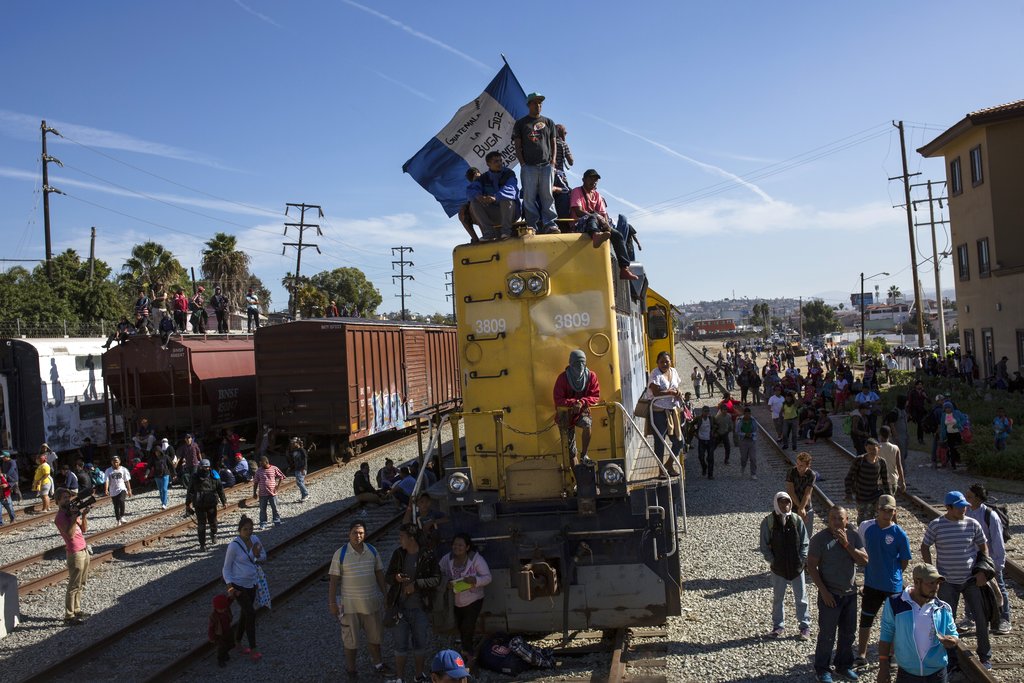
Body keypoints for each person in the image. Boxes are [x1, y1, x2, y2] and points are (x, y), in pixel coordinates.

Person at [920, 491, 991, 671]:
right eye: (960, 507)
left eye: (965, 506)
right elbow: (925, 546)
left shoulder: (972, 524)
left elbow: (983, 546)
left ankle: (985, 656)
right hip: (947, 583)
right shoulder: (936, 525)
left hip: (971, 581)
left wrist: (983, 569)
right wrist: (932, 572)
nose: (964, 509)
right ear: (948, 508)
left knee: (981, 619)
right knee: (945, 621)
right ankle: (950, 660)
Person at [807, 506, 868, 683]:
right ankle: (822, 669)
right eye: (833, 518)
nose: (836, 522)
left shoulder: (854, 536)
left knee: (848, 633)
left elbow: (864, 560)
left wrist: (847, 545)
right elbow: (811, 566)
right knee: (827, 634)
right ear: (828, 519)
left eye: (840, 519)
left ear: (846, 520)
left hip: (850, 594)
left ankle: (843, 666)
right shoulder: (819, 539)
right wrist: (824, 592)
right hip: (830, 594)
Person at [328, 521, 392, 682]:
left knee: (375, 638)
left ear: (365, 534)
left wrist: (386, 596)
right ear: (349, 534)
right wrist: (332, 603)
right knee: (350, 641)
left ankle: (378, 665)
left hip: (371, 604)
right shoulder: (340, 554)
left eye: (361, 533)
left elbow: (379, 575)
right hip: (349, 607)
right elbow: (333, 581)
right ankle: (351, 670)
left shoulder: (372, 551)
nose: (358, 536)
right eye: (355, 533)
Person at [877, 563, 959, 683]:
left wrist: (952, 640)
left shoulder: (943, 608)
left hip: (938, 675)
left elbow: (954, 635)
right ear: (917, 582)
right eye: (930, 583)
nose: (935, 587)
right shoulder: (895, 603)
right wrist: (883, 667)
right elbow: (886, 635)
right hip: (907, 674)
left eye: (937, 583)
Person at [855, 495, 912, 666]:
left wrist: (893, 574)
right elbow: (862, 552)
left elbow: (904, 561)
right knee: (866, 619)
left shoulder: (900, 534)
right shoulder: (868, 529)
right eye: (883, 510)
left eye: (890, 510)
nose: (886, 513)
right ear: (877, 510)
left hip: (892, 585)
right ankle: (861, 654)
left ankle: (893, 654)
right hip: (872, 584)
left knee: (894, 622)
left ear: (895, 512)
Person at [386, 523, 442, 683]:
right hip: (400, 608)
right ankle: (399, 678)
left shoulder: (427, 555)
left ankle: (418, 675)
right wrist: (395, 578)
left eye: (401, 536)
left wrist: (416, 585)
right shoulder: (398, 554)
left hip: (420, 608)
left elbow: (436, 579)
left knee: (420, 643)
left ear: (411, 538)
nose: (399, 540)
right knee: (400, 645)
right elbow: (387, 577)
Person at [568, 169, 639, 280]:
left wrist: (606, 225)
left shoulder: (598, 196)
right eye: (591, 178)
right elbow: (578, 211)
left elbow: (603, 214)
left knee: (617, 235)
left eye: (596, 180)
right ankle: (596, 235)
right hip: (579, 225)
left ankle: (624, 269)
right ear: (583, 180)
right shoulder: (577, 191)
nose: (594, 182)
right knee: (593, 216)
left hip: (596, 223)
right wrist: (597, 217)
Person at [759, 491, 811, 639]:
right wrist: (772, 560)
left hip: (797, 566)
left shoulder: (796, 519)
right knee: (778, 598)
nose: (785, 505)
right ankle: (778, 626)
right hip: (778, 568)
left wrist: (802, 559)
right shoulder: (768, 521)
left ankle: (805, 627)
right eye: (782, 502)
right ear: (777, 503)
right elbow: (764, 544)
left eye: (787, 502)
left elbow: (805, 541)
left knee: (801, 597)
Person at [439, 533, 492, 665]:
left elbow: (488, 577)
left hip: (474, 598)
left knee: (467, 626)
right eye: (455, 544)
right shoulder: (447, 558)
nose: (457, 547)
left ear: (467, 547)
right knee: (461, 626)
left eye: (461, 545)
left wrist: (475, 580)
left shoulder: (475, 559)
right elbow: (438, 571)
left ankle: (468, 653)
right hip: (456, 600)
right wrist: (446, 582)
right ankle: (466, 650)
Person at [966, 484, 1010, 635]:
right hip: (972, 558)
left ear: (978, 499)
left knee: (999, 587)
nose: (966, 499)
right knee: (970, 586)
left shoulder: (990, 515)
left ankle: (1004, 619)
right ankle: (970, 618)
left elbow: (998, 541)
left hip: (989, 559)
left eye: (969, 497)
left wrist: (998, 563)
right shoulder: (966, 512)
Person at [512, 92, 558, 234]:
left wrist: (553, 162)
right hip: (529, 167)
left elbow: (553, 142)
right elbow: (517, 145)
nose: (538, 106)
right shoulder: (521, 123)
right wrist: (523, 163)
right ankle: (532, 225)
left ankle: (550, 224)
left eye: (540, 103)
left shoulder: (549, 122)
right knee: (529, 197)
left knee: (547, 196)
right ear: (528, 105)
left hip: (546, 166)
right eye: (535, 103)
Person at [223, 515, 266, 662]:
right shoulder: (233, 546)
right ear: (239, 530)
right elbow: (226, 568)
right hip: (238, 586)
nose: (248, 532)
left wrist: (256, 555)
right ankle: (254, 648)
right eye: (245, 529)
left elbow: (263, 557)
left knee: (245, 614)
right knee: (251, 614)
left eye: (250, 529)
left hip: (252, 583)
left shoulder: (255, 540)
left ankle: (237, 642)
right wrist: (230, 587)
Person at [553, 350, 601, 467]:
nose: (579, 366)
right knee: (570, 451)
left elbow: (595, 396)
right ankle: (578, 479)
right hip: (565, 416)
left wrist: (582, 402)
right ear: (570, 363)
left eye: (582, 363)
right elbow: (558, 399)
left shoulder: (591, 376)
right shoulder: (563, 378)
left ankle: (584, 454)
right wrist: (573, 403)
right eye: (576, 363)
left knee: (587, 424)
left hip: (581, 413)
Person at [54, 487, 91, 625]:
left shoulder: (71, 512)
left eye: (68, 497)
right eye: (64, 498)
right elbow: (69, 535)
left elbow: (84, 529)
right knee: (73, 585)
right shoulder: (60, 517)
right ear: (57, 501)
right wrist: (74, 517)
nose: (67, 500)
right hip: (75, 553)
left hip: (83, 549)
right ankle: (68, 616)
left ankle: (77, 609)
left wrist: (84, 516)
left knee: (81, 582)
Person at [467, 151, 521, 240]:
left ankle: (506, 232)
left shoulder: (509, 173)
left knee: (506, 198)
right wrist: (479, 197)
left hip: (511, 213)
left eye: (500, 161)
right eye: (496, 161)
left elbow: (511, 189)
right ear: (488, 164)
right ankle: (489, 233)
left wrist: (495, 198)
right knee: (474, 202)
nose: (499, 163)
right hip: (494, 214)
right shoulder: (483, 178)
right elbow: (471, 190)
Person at [647, 351, 684, 469]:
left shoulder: (674, 371)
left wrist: (678, 392)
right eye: (661, 362)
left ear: (671, 362)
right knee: (660, 442)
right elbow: (656, 392)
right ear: (657, 363)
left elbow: (676, 387)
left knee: (679, 441)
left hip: (672, 411)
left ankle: (668, 464)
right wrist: (671, 392)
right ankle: (661, 470)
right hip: (658, 412)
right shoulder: (655, 374)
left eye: (667, 361)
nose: (664, 364)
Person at [845, 439, 892, 525]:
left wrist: (890, 497)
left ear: (878, 448)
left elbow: (886, 481)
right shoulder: (859, 461)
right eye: (870, 449)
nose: (872, 451)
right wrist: (848, 493)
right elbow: (849, 477)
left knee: (876, 519)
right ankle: (862, 535)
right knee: (863, 520)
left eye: (874, 449)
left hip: (875, 495)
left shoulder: (881, 462)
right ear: (866, 448)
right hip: (862, 496)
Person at [186, 459, 228, 551]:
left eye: (207, 467)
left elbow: (220, 489)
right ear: (200, 467)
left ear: (209, 467)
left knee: (213, 522)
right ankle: (202, 544)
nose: (205, 469)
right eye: (203, 467)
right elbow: (190, 491)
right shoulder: (195, 477)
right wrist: (187, 504)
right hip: (199, 504)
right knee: (201, 525)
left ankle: (214, 534)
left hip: (211, 503)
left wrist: (224, 501)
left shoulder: (214, 475)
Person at [787, 452, 817, 534]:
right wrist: (800, 508)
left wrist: (802, 508)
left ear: (807, 466)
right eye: (797, 464)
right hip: (793, 504)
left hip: (806, 505)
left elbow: (807, 493)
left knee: (807, 533)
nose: (798, 467)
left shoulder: (811, 475)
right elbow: (790, 491)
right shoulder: (791, 472)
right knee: (792, 532)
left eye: (801, 465)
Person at [252, 456, 286, 529]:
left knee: (275, 508)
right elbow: (255, 482)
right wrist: (254, 493)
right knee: (262, 509)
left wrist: (278, 486)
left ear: (266, 462)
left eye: (261, 462)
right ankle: (263, 523)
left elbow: (281, 476)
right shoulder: (258, 470)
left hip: (272, 493)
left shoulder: (274, 468)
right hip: (262, 494)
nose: (260, 464)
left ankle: (277, 521)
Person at [937, 402, 969, 470]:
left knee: (957, 448)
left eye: (948, 408)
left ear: (951, 408)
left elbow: (964, 420)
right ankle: (953, 464)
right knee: (951, 449)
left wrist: (958, 425)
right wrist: (942, 437)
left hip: (957, 433)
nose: (947, 409)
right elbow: (943, 427)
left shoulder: (957, 413)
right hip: (949, 434)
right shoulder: (943, 415)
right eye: (946, 408)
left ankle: (959, 460)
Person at [876, 426, 906, 495]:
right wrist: (903, 482)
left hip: (880, 481)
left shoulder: (876, 448)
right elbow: (899, 466)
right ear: (890, 435)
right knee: (890, 502)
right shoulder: (896, 448)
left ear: (879, 434)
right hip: (892, 480)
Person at [104, 455, 132, 526]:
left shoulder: (123, 469)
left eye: (116, 462)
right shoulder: (108, 470)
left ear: (119, 462)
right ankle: (118, 519)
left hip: (122, 488)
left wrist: (129, 490)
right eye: (113, 462)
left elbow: (127, 481)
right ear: (111, 462)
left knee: (121, 501)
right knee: (116, 505)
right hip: (113, 490)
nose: (115, 463)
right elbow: (106, 480)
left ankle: (122, 516)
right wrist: (106, 489)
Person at [209, 594, 235, 668]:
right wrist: (212, 637)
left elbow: (228, 602)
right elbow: (211, 628)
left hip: (228, 631)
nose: (222, 610)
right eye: (220, 609)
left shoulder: (226, 608)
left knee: (231, 644)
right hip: (219, 634)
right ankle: (220, 659)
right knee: (222, 647)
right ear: (216, 608)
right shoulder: (213, 616)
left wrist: (232, 596)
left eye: (224, 609)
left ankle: (226, 653)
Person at [147, 442, 175, 510]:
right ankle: (162, 502)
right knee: (160, 490)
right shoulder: (153, 459)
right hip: (157, 476)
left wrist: (174, 474)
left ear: (160, 451)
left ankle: (164, 504)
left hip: (165, 475)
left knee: (164, 489)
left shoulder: (166, 457)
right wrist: (146, 474)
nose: (156, 453)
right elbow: (149, 467)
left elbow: (171, 466)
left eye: (158, 452)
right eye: (155, 452)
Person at [735, 406, 760, 479]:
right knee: (744, 457)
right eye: (746, 414)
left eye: (749, 414)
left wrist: (751, 434)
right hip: (743, 441)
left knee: (753, 458)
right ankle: (743, 467)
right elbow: (737, 431)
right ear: (744, 414)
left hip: (752, 440)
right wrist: (745, 434)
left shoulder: (753, 420)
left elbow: (756, 430)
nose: (748, 415)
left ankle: (753, 473)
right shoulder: (740, 421)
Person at [695, 406, 715, 479]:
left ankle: (710, 474)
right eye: (705, 411)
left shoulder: (711, 419)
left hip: (710, 440)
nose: (706, 413)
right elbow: (693, 427)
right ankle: (704, 467)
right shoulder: (698, 419)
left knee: (710, 458)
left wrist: (714, 433)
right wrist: (696, 435)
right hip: (702, 440)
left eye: (707, 411)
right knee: (701, 457)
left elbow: (716, 426)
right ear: (702, 412)